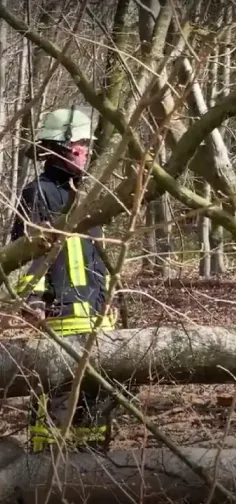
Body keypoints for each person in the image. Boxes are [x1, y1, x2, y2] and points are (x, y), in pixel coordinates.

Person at [12, 107, 116, 454]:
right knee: (56, 415)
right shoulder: (38, 193)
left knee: (94, 413)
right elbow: (26, 255)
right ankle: (47, 476)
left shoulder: (85, 194)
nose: (87, 151)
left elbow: (96, 258)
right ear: (66, 146)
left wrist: (109, 301)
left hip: (97, 322)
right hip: (60, 322)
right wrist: (34, 302)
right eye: (83, 143)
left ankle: (94, 475)